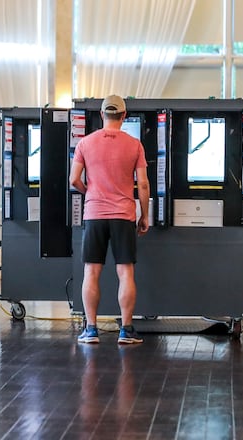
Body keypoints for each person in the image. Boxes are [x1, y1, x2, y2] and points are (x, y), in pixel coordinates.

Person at [69, 94, 150, 345]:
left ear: (102, 115)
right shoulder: (134, 145)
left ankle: (91, 330)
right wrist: (144, 215)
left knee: (91, 272)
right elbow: (144, 184)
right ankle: (126, 330)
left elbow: (73, 180)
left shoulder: (85, 143)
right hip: (123, 215)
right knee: (125, 272)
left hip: (94, 214)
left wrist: (89, 193)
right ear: (124, 116)